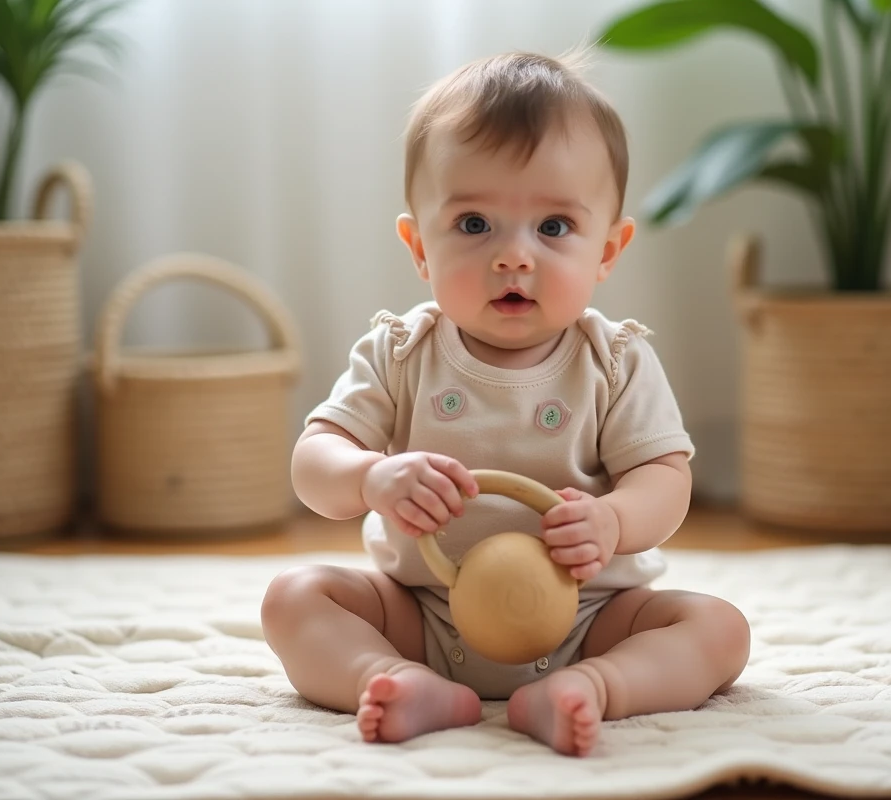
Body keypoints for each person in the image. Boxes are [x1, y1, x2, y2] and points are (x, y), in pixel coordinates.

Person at [261, 49, 750, 758]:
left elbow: (666, 482)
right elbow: (314, 463)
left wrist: (613, 520)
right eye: (473, 224)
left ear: (607, 250)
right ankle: (396, 680)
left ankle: (594, 687)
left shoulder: (615, 360)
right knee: (293, 596)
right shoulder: (400, 351)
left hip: (589, 620)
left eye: (553, 228)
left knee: (720, 629)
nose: (513, 256)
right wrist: (370, 477)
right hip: (424, 616)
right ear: (419, 246)